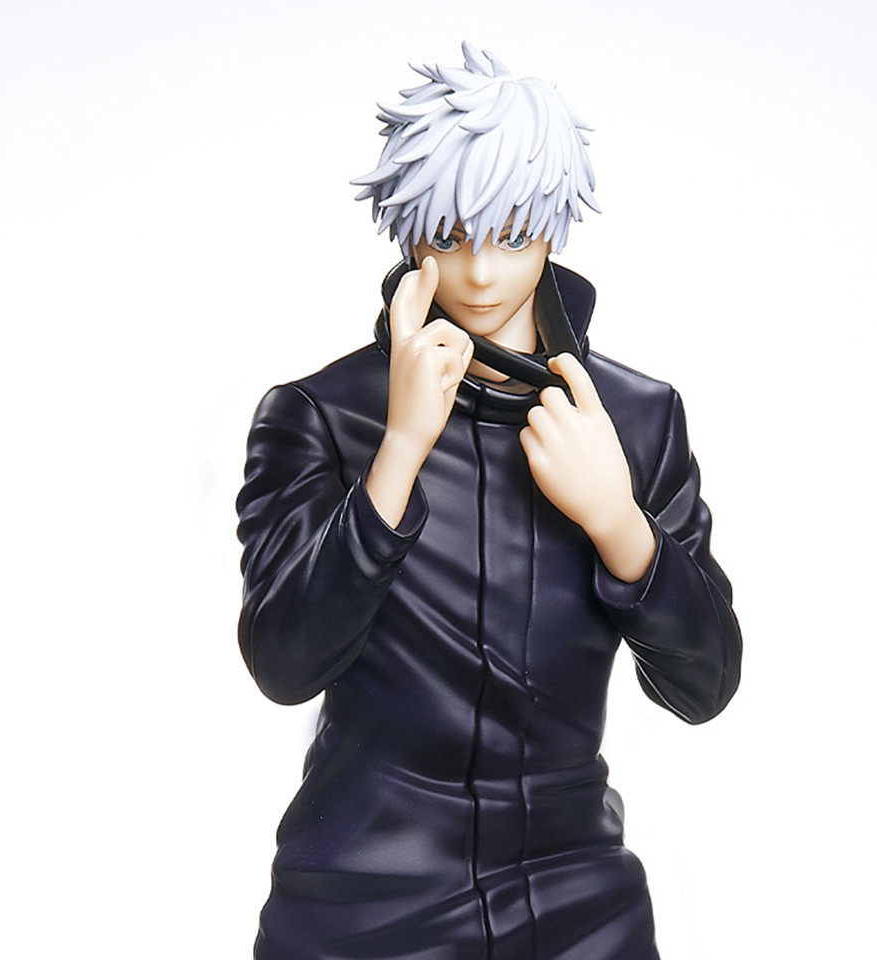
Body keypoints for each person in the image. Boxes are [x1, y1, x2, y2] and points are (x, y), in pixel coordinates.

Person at [236, 40, 742, 960]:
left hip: (578, 899)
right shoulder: (319, 414)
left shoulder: (635, 418)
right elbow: (282, 663)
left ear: (553, 226)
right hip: (362, 901)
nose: (477, 273)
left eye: (510, 235)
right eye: (449, 235)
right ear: (409, 234)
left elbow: (705, 685)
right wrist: (398, 452)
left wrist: (619, 523)